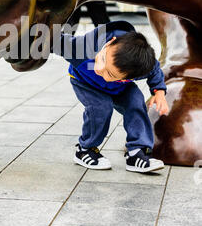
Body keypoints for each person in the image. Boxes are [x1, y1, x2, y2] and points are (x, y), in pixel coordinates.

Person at [52, 20, 169, 173]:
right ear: (109, 44)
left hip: (120, 87)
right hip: (85, 83)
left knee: (136, 103)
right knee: (101, 107)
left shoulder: (141, 66)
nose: (100, 69)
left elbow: (155, 71)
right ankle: (85, 149)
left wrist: (159, 92)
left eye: (111, 74)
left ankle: (136, 152)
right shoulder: (80, 48)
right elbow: (52, 40)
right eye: (102, 59)